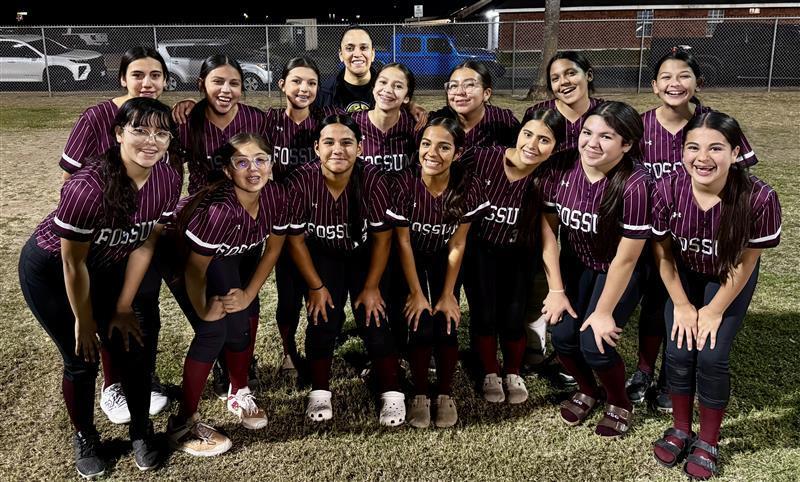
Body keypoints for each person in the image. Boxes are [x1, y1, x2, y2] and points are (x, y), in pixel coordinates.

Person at [19, 97, 182, 477]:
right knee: (82, 358)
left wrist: (124, 305)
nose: (151, 141)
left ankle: (142, 432)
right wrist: (84, 319)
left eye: (162, 132)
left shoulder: (169, 178)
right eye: (140, 130)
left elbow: (145, 242)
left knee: (133, 347)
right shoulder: (87, 186)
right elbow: (71, 262)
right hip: (53, 274)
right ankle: (85, 436)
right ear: (119, 133)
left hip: (108, 266)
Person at [650, 112, 780, 480]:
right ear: (682, 151)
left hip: (728, 279)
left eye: (716, 148)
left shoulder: (759, 197)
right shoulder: (667, 189)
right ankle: (679, 427)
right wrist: (681, 303)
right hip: (683, 278)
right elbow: (661, 252)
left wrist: (714, 309)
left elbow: (746, 261)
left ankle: (708, 439)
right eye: (693, 147)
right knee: (677, 349)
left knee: (712, 356)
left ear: (735, 151)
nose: (702, 157)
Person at [630, 48, 761, 413]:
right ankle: (644, 370)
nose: (676, 83)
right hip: (658, 231)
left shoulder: (714, 122)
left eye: (684, 75)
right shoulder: (641, 126)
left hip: (703, 235)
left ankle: (673, 380)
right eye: (667, 77)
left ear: (697, 82)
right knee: (656, 303)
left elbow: (741, 176)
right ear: (654, 86)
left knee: (694, 305)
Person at [57, 46, 172, 423]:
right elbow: (70, 180)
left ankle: (141, 376)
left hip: (139, 234)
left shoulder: (163, 121)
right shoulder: (98, 117)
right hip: (102, 238)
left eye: (155, 75)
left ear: (165, 81)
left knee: (144, 306)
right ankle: (114, 385)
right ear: (123, 78)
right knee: (106, 311)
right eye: (138, 74)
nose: (147, 82)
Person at [163, 133, 286, 456]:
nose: (253, 168)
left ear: (272, 165)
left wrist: (249, 293)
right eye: (241, 162)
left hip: (229, 252)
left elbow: (273, 249)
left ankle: (238, 389)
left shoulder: (274, 195)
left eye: (261, 159)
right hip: (179, 257)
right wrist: (203, 308)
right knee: (214, 328)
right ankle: (183, 422)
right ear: (228, 171)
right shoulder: (219, 210)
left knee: (243, 307)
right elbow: (194, 269)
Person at [540, 101, 650, 438]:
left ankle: (619, 402)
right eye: (587, 133)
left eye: (606, 137)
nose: (592, 142)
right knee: (560, 334)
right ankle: (588, 389)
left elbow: (627, 259)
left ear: (626, 144)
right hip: (577, 262)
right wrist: (556, 290)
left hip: (619, 269)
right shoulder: (562, 166)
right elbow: (547, 229)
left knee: (594, 342)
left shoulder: (635, 184)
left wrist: (603, 312)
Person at [285, 115, 400, 425]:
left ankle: (391, 391)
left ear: (360, 148)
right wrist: (315, 287)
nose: (338, 149)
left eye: (347, 142)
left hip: (364, 256)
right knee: (322, 320)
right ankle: (320, 390)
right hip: (323, 257)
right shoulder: (301, 180)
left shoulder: (372, 177)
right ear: (316, 147)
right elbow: (295, 241)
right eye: (329, 142)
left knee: (375, 320)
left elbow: (382, 238)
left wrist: (372, 286)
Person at [390, 117, 489, 428]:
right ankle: (420, 392)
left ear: (457, 153)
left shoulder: (466, 186)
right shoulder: (403, 183)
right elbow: (403, 242)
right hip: (407, 258)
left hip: (443, 258)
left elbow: (458, 243)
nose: (432, 152)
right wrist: (418, 293)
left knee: (445, 320)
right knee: (419, 321)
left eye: (444, 146)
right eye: (426, 144)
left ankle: (444, 393)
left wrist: (447, 294)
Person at [462, 108, 564, 405]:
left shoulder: (548, 178)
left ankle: (512, 370)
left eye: (544, 140)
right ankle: (490, 371)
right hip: (480, 250)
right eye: (528, 134)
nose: (532, 145)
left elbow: (548, 236)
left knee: (514, 314)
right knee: (484, 313)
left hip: (519, 254)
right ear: (518, 134)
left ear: (555, 147)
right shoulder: (484, 157)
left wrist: (556, 286)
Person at [315, 25, 427, 127]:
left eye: (364, 48)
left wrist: (409, 105)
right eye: (350, 48)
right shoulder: (324, 93)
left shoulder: (386, 91)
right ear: (341, 55)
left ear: (372, 54)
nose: (357, 54)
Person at [429, 60, 520, 151]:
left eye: (469, 85)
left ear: (486, 93)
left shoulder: (504, 121)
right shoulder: (437, 120)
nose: (459, 92)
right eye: (453, 86)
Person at [525, 51, 604, 153]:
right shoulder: (536, 114)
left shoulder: (607, 113)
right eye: (555, 79)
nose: (563, 82)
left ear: (589, 75)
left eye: (571, 73)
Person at [351, 62, 418, 173]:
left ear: (406, 97)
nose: (387, 90)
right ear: (373, 88)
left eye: (398, 86)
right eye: (383, 82)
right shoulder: (352, 123)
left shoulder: (414, 125)